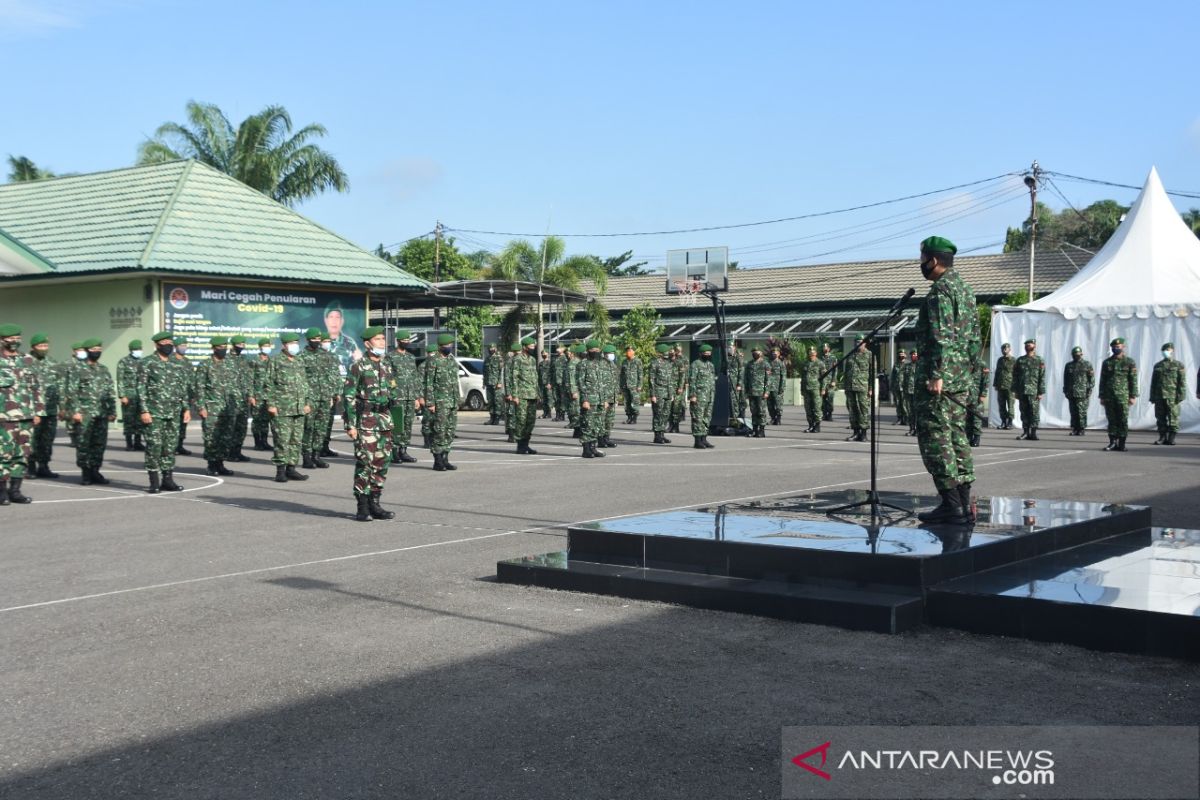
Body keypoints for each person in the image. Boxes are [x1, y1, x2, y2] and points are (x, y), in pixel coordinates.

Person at [912, 236, 981, 526]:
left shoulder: (940, 291)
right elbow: (974, 338)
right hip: (961, 380)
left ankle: (951, 505)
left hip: (939, 382)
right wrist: (968, 374)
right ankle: (962, 505)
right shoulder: (964, 289)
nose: (921, 265)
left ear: (934, 261)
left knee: (936, 439)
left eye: (923, 259)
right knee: (956, 437)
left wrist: (937, 374)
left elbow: (940, 335)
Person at [344, 326, 397, 522]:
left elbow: (393, 394)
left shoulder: (386, 366)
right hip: (365, 421)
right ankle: (362, 506)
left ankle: (375, 502)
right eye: (378, 339)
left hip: (384, 421)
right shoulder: (358, 366)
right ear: (367, 344)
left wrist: (396, 422)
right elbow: (348, 397)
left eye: (383, 339)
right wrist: (350, 425)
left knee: (381, 464)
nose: (382, 342)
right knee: (365, 464)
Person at [136, 332, 190, 493]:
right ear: (157, 345)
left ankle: (168, 480)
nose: (168, 344)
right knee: (154, 446)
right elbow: (141, 389)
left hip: (173, 412)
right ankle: (154, 482)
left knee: (170, 446)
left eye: (170, 342)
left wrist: (186, 408)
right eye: (164, 342)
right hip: (154, 413)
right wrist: (144, 410)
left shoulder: (176, 363)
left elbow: (182, 387)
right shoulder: (147, 363)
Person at [63, 337, 116, 485]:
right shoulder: (77, 370)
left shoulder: (104, 370)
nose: (96, 352)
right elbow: (71, 392)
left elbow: (109, 392)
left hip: (101, 413)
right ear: (86, 351)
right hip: (84, 413)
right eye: (93, 350)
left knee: (99, 444)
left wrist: (112, 411)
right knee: (84, 443)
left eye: (99, 350)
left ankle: (95, 471)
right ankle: (86, 473)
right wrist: (75, 411)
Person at [0, 324, 42, 505]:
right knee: (3, 455)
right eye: (11, 338)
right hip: (4, 417)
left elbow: (36, 387)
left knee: (23, 454)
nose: (15, 341)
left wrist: (39, 411)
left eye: (18, 338)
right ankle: (1, 492)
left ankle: (15, 491)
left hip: (26, 416)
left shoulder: (27, 360)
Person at [263, 332, 312, 482]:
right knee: (282, 440)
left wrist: (307, 402)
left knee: (296, 440)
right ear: (284, 345)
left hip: (299, 407)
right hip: (282, 408)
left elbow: (304, 383)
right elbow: (268, 384)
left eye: (296, 342)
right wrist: (271, 404)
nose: (295, 345)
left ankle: (291, 468)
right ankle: (280, 471)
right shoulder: (275, 361)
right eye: (292, 343)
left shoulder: (299, 360)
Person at [193, 335, 240, 477]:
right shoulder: (205, 365)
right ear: (213, 348)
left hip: (228, 407)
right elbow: (199, 388)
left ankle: (221, 464)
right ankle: (211, 465)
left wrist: (236, 404)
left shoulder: (231, 364)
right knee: (211, 437)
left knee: (226, 437)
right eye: (220, 348)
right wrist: (201, 407)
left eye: (225, 347)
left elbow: (235, 386)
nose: (223, 350)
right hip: (212, 408)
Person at [300, 327, 340, 470]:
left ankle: (316, 456)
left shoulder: (326, 356)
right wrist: (304, 400)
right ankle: (306, 457)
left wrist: (333, 394)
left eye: (318, 339)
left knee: (321, 428)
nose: (317, 341)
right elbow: (300, 379)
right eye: (314, 339)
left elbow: (331, 376)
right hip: (310, 398)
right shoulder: (301, 356)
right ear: (308, 340)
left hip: (324, 397)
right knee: (308, 428)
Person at [26, 332, 61, 479]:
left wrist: (62, 406)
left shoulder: (52, 362)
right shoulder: (25, 362)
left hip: (50, 409)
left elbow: (58, 385)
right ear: (33, 347)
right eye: (41, 346)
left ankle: (44, 466)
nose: (44, 348)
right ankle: (30, 467)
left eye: (46, 345)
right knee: (33, 439)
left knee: (47, 439)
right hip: (33, 410)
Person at [425, 332, 460, 471]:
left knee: (450, 430)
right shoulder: (433, 361)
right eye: (446, 345)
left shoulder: (452, 360)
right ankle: (437, 460)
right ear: (440, 346)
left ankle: (446, 458)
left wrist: (457, 399)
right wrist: (430, 403)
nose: (449, 347)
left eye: (450, 345)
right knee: (439, 430)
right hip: (440, 401)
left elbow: (455, 382)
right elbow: (428, 383)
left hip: (452, 401)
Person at [385, 330, 420, 464]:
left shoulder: (411, 357)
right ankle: (394, 452)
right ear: (398, 341)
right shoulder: (390, 357)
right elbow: (388, 376)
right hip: (397, 396)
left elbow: (415, 377)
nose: (406, 342)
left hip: (410, 396)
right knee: (397, 424)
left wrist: (417, 397)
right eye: (404, 340)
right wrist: (393, 391)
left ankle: (403, 450)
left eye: (408, 340)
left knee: (408, 424)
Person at [1098, 337, 1138, 452]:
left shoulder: (1129, 362)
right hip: (1109, 396)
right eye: (1114, 347)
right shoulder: (1107, 362)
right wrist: (1102, 396)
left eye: (1118, 347)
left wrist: (1132, 396)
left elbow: (1133, 380)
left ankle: (1122, 443)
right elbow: (1103, 380)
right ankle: (1112, 442)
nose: (1116, 348)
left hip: (1123, 396)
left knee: (1123, 419)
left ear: (1123, 347)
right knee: (1111, 420)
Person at [507, 336, 540, 454]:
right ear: (525, 347)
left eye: (534, 346)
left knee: (530, 421)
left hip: (532, 394)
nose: (533, 348)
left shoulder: (532, 359)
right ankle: (520, 445)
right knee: (521, 420)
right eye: (531, 346)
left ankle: (526, 444)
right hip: (521, 395)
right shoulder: (518, 359)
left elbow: (535, 378)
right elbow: (514, 378)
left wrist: (538, 393)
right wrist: (514, 395)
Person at [1149, 342, 1185, 446]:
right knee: (1160, 418)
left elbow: (1182, 382)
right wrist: (1152, 396)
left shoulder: (1178, 365)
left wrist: (1181, 395)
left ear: (1172, 351)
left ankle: (1171, 438)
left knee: (1173, 417)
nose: (1166, 352)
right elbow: (1153, 383)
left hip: (1172, 396)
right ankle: (1162, 437)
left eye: (1168, 350)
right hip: (1159, 396)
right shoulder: (1158, 365)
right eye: (1164, 350)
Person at [578, 340, 607, 458]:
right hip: (589, 399)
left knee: (597, 425)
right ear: (588, 351)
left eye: (597, 350)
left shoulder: (600, 364)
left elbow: (603, 383)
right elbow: (580, 382)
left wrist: (605, 399)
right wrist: (584, 399)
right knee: (587, 424)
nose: (596, 352)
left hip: (600, 399)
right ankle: (586, 449)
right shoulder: (583, 364)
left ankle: (593, 448)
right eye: (593, 350)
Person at [1012, 339, 1045, 441]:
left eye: (1029, 344)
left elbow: (1042, 377)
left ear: (1034, 346)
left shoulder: (1039, 360)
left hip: (1033, 391)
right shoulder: (1020, 360)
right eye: (1026, 344)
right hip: (1022, 391)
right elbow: (1015, 376)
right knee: (1024, 412)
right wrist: (1015, 390)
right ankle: (1026, 432)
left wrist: (1040, 392)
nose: (1027, 346)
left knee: (1034, 412)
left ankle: (1033, 433)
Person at [116, 339, 146, 452]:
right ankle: (129, 443)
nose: (139, 351)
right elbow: (120, 380)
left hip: (141, 395)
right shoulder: (123, 362)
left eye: (140, 349)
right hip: (129, 395)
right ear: (131, 350)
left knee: (140, 419)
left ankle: (138, 442)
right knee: (129, 419)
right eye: (137, 349)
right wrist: (122, 395)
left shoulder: (143, 362)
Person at [228, 335, 253, 462]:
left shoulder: (243, 360)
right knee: (230, 427)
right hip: (231, 400)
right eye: (239, 344)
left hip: (243, 399)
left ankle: (237, 451)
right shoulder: (226, 359)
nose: (241, 346)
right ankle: (229, 452)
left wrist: (250, 394)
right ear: (233, 345)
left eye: (243, 344)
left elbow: (248, 379)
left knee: (241, 427)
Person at [1062, 346, 1095, 436]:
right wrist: (1065, 390)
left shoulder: (1087, 364)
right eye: (1074, 354)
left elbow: (1091, 378)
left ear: (1081, 354)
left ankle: (1081, 428)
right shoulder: (1069, 365)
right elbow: (1066, 378)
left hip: (1082, 392)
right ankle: (1074, 428)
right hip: (1071, 392)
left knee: (1081, 411)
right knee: (1073, 411)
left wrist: (1089, 389)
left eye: (1078, 354)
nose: (1076, 356)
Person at [842, 339, 871, 442]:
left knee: (863, 409)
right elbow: (846, 372)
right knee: (852, 410)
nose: (858, 344)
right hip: (850, 387)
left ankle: (863, 433)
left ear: (864, 343)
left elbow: (873, 372)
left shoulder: (869, 355)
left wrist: (871, 388)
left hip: (862, 386)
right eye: (856, 342)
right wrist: (845, 387)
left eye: (860, 342)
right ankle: (855, 432)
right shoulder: (851, 354)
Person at [688, 343, 716, 448]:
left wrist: (712, 395)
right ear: (700, 354)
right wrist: (692, 395)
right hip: (699, 396)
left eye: (709, 353)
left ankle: (704, 439)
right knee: (697, 418)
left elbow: (712, 381)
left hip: (709, 396)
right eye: (706, 353)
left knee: (706, 418)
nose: (708, 355)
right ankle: (697, 440)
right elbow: (692, 380)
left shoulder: (710, 365)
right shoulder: (696, 364)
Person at [323, 301, 361, 377]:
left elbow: (357, 365)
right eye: (331, 317)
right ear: (326, 320)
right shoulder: (319, 341)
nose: (334, 321)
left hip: (345, 385)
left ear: (342, 321)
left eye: (337, 317)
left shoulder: (350, 343)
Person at [249, 338, 274, 451]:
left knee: (266, 419)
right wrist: (251, 395)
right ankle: (257, 442)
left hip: (269, 395)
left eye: (268, 345)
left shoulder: (272, 361)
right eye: (264, 345)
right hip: (257, 395)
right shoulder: (254, 361)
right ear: (260, 347)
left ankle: (264, 441)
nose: (267, 347)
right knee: (257, 419)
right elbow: (249, 379)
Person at [173, 336, 196, 456]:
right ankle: (172, 446)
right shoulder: (170, 360)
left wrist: (193, 395)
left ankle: (180, 445)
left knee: (183, 422)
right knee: (173, 423)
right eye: (181, 345)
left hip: (186, 397)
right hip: (173, 397)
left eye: (185, 345)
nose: (184, 348)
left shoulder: (187, 362)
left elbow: (192, 380)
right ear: (175, 347)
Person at [649, 343, 674, 444]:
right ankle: (657, 436)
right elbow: (651, 380)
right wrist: (653, 394)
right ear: (662, 352)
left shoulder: (668, 364)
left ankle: (662, 434)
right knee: (658, 414)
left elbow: (671, 380)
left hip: (668, 393)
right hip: (659, 392)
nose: (668, 353)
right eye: (667, 351)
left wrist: (671, 394)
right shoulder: (654, 363)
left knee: (665, 414)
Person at [745, 343, 771, 438]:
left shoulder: (765, 364)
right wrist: (746, 391)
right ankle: (755, 430)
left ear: (761, 353)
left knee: (761, 411)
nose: (755, 354)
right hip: (752, 392)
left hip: (761, 392)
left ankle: (762, 430)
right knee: (753, 411)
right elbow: (746, 379)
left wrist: (767, 391)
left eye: (757, 352)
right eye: (753, 352)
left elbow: (768, 379)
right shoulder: (749, 364)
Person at [65, 341, 87, 449]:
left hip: (83, 394)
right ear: (74, 352)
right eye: (79, 350)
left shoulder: (86, 363)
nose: (82, 352)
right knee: (71, 417)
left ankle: (81, 438)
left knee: (82, 416)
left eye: (83, 350)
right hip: (71, 393)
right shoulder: (68, 364)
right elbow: (64, 380)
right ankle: (73, 438)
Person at [965, 357, 990, 447]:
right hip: (966, 395)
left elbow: (986, 380)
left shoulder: (981, 363)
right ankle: (968, 436)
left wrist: (983, 394)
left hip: (976, 394)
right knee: (967, 417)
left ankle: (976, 437)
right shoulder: (964, 361)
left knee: (976, 417)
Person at [598, 344, 620, 449]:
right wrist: (603, 399)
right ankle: (600, 439)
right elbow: (599, 383)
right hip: (605, 397)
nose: (612, 355)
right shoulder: (600, 365)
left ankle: (606, 438)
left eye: (613, 353)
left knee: (609, 420)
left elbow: (615, 382)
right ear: (605, 354)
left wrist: (616, 397)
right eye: (611, 353)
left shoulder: (613, 365)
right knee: (602, 419)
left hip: (612, 397)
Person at [798, 346, 823, 433]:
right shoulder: (805, 363)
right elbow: (803, 377)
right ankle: (810, 425)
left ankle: (817, 426)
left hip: (816, 388)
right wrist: (801, 389)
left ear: (816, 353)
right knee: (808, 408)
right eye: (810, 352)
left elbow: (824, 377)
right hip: (806, 389)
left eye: (813, 352)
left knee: (816, 407)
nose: (811, 354)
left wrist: (823, 389)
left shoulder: (820, 363)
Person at [992, 343, 1016, 429]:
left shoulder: (1013, 360)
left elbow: (1016, 374)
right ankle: (1003, 422)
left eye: (1006, 349)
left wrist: (1016, 386)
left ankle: (1010, 422)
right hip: (1000, 385)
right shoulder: (1000, 360)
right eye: (1003, 349)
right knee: (1001, 405)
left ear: (1009, 349)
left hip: (1010, 386)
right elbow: (997, 373)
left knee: (1010, 405)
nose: (1004, 350)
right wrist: (995, 384)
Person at [619, 345, 643, 425]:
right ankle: (629, 417)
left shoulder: (638, 361)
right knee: (627, 402)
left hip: (634, 386)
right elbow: (622, 374)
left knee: (634, 402)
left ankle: (634, 418)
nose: (628, 352)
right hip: (625, 385)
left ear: (633, 352)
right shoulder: (624, 361)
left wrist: (639, 385)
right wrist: (621, 385)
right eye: (627, 351)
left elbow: (640, 374)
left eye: (630, 350)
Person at [483, 343, 504, 425]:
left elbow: (501, 371)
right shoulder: (487, 359)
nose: (491, 350)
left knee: (497, 401)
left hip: (496, 384)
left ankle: (497, 417)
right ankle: (491, 417)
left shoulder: (499, 359)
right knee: (490, 401)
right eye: (489, 348)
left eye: (492, 348)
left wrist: (499, 382)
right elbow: (484, 371)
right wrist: (484, 382)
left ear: (495, 348)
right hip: (488, 383)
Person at [669, 344, 688, 434]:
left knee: (676, 407)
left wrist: (681, 386)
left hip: (677, 388)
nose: (673, 353)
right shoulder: (668, 362)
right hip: (669, 388)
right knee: (669, 407)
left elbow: (683, 375)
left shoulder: (680, 362)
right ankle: (671, 425)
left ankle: (676, 426)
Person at [727, 342, 746, 422]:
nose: (729, 349)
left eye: (731, 347)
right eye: (728, 347)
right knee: (728, 401)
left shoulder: (738, 358)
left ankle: (737, 418)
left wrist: (739, 384)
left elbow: (741, 372)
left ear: (734, 348)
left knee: (736, 401)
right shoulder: (726, 358)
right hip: (727, 383)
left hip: (736, 384)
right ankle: (730, 417)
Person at [768, 346, 786, 425]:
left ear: (778, 354)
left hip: (777, 387)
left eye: (775, 353)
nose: (774, 354)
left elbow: (783, 376)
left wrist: (782, 387)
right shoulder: (768, 363)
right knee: (770, 404)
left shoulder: (781, 363)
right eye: (773, 353)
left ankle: (778, 418)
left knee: (778, 404)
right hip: (769, 387)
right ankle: (773, 418)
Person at [552, 343, 569, 422]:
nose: (557, 349)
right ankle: (557, 414)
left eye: (559, 348)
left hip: (562, 381)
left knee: (562, 399)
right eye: (557, 347)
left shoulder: (565, 358)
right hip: (555, 381)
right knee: (556, 398)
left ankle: (562, 415)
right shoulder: (555, 358)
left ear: (563, 348)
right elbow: (551, 371)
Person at [821, 343, 838, 421]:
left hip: (831, 381)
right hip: (823, 382)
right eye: (824, 347)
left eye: (826, 347)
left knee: (830, 398)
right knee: (823, 399)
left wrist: (834, 380)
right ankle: (824, 414)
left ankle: (830, 414)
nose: (825, 349)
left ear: (829, 348)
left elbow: (835, 370)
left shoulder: (833, 358)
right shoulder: (820, 358)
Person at [891, 349, 908, 426]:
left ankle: (906, 419)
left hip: (905, 387)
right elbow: (893, 376)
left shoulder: (908, 364)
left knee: (904, 404)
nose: (901, 355)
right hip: (897, 387)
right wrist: (891, 386)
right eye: (900, 354)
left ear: (905, 355)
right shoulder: (896, 364)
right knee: (898, 403)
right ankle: (899, 418)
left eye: (902, 354)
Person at [904, 351, 919, 436]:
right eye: (913, 354)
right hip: (908, 391)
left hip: (917, 392)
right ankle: (912, 429)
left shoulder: (921, 366)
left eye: (915, 354)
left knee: (917, 412)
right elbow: (904, 379)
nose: (914, 356)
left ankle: (918, 430)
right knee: (910, 411)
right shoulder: (907, 366)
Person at [537, 349, 554, 419]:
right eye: (542, 353)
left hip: (548, 383)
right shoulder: (540, 364)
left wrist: (550, 383)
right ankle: (545, 412)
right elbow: (538, 373)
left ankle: (549, 413)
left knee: (549, 398)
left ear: (548, 354)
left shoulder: (551, 363)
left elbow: (552, 374)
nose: (544, 354)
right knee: (543, 398)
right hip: (542, 383)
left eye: (545, 353)